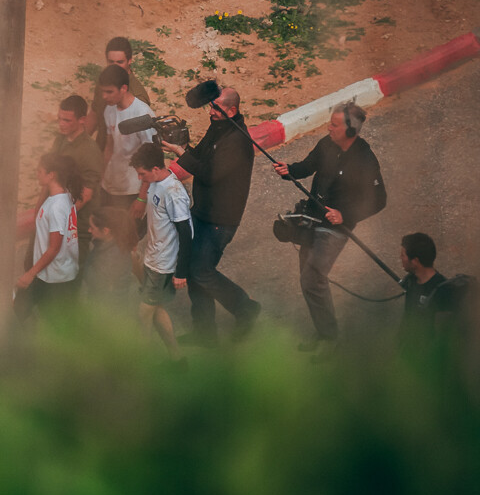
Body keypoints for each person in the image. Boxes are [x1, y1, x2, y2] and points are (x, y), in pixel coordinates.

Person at [273, 102, 386, 359]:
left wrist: (345, 215)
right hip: (312, 218)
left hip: (336, 228)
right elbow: (307, 166)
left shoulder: (365, 159)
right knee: (308, 279)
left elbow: (379, 199)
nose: (329, 128)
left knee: (312, 280)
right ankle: (324, 331)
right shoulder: (326, 144)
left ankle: (330, 339)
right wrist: (289, 170)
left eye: (334, 125)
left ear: (350, 130)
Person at [161, 87, 262, 347]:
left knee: (201, 271)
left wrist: (181, 155)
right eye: (211, 106)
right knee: (195, 272)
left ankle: (245, 307)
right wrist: (181, 146)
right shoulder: (218, 127)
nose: (210, 111)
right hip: (203, 211)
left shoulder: (237, 140)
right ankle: (204, 333)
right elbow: (201, 156)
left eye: (216, 108)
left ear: (232, 110)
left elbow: (210, 174)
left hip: (220, 220)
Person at [130, 143, 190, 368]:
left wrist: (181, 272)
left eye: (142, 174)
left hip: (163, 264)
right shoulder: (155, 182)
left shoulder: (173, 193)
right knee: (156, 311)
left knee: (144, 314)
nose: (140, 178)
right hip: (152, 258)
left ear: (155, 168)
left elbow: (186, 234)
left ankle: (141, 369)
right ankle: (177, 358)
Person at [15, 153, 81, 320]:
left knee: (41, 316)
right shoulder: (63, 196)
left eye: (40, 171)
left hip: (54, 276)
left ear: (51, 175)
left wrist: (30, 273)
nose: (36, 174)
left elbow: (54, 248)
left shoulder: (57, 206)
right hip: (53, 272)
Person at [49, 95, 104, 267]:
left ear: (82, 120)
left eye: (67, 120)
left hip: (77, 225)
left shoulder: (89, 151)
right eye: (59, 119)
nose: (61, 124)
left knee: (72, 271)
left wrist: (61, 218)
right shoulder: (60, 140)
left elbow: (86, 195)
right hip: (57, 216)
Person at [98, 64, 155, 211]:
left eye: (109, 92)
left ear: (123, 88)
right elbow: (109, 147)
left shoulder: (142, 114)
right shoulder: (109, 109)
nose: (104, 96)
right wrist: (101, 179)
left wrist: (142, 197)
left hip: (132, 189)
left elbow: (151, 158)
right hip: (109, 186)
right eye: (103, 91)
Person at [87, 36, 152, 147]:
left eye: (120, 62)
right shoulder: (104, 82)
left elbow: (138, 142)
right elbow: (94, 115)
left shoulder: (138, 97)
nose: (115, 67)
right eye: (111, 62)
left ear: (129, 61)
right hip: (101, 151)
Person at [397, 232, 451, 358]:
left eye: (403, 255)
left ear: (415, 261)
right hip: (408, 357)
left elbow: (444, 334)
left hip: (429, 359)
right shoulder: (411, 282)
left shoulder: (442, 289)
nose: (400, 258)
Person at [79, 206, 138, 317]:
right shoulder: (107, 244)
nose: (89, 230)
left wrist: (84, 269)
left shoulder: (112, 256)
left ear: (105, 231)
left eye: (92, 227)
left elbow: (96, 283)